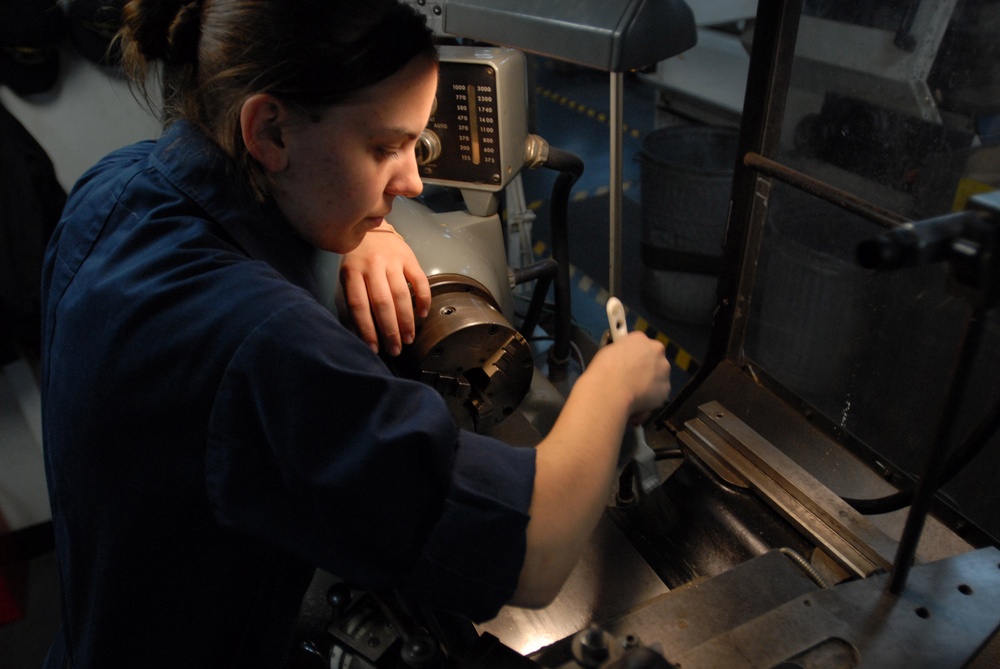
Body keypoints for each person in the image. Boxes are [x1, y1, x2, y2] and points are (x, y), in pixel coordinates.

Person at [39, 1, 672, 667]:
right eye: (383, 148)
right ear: (270, 131)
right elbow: (536, 552)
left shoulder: (113, 188)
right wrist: (617, 379)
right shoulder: (260, 339)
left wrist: (362, 228)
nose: (414, 180)